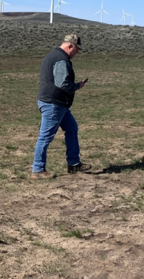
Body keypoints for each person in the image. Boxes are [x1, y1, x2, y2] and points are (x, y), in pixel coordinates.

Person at [32, 34, 90, 179]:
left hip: (57, 103)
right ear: (71, 46)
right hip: (54, 103)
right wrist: (77, 86)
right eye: (77, 50)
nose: (76, 53)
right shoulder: (61, 59)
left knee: (72, 128)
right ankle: (38, 169)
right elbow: (62, 83)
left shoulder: (52, 55)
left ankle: (74, 163)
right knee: (45, 137)